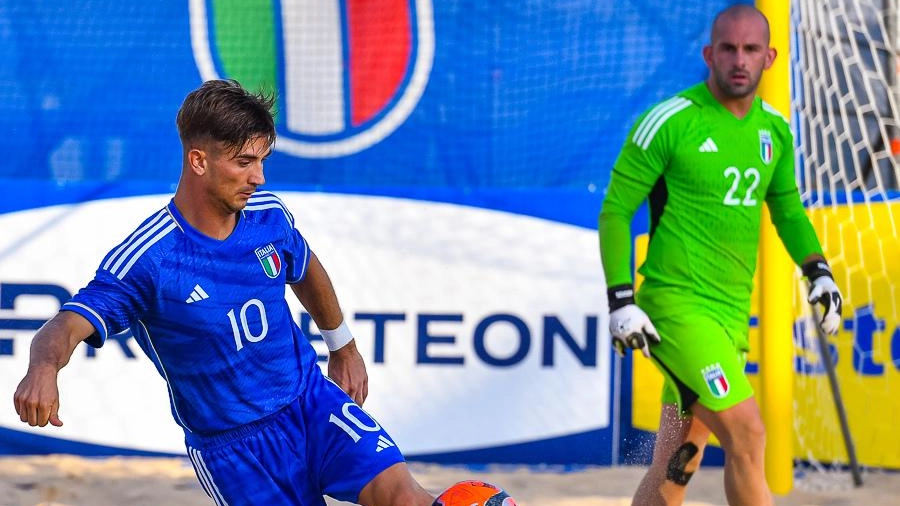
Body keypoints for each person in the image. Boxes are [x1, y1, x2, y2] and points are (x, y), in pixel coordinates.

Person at [13, 79, 436, 506]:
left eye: (263, 160)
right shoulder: (150, 258)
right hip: (236, 451)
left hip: (311, 402)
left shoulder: (268, 216)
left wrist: (342, 347)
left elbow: (306, 267)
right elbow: (65, 324)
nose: (259, 176)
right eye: (244, 162)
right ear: (199, 161)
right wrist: (42, 369)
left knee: (405, 498)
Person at [598, 5, 843, 506]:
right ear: (709, 54)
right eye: (728, 48)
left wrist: (818, 271)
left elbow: (789, 211)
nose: (739, 59)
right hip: (676, 311)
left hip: (730, 318)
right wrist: (621, 301)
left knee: (677, 464)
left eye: (751, 49)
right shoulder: (669, 122)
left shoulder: (773, 131)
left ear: (770, 57)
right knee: (749, 435)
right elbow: (615, 212)